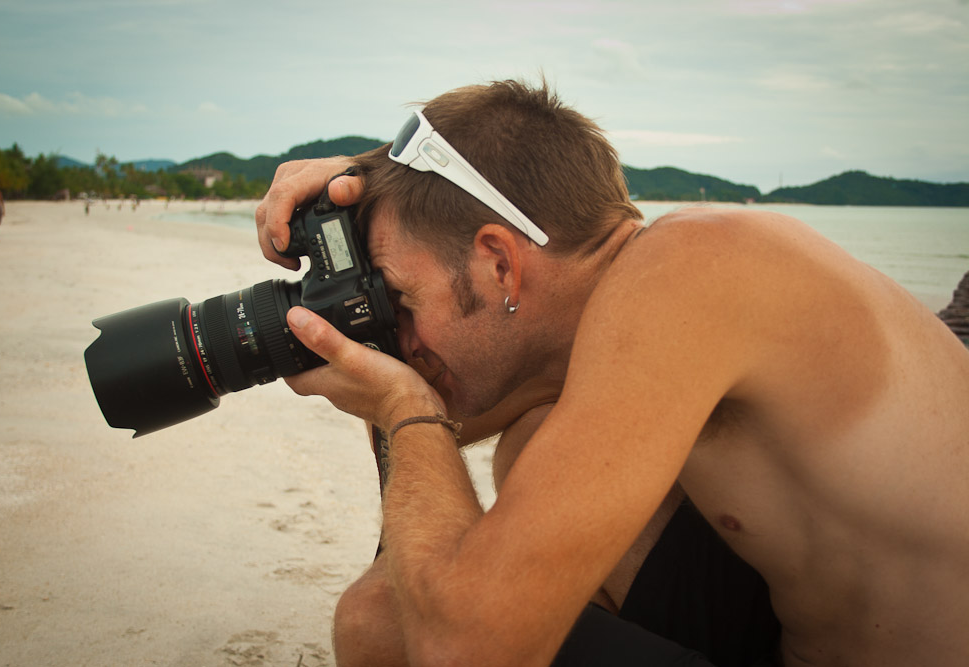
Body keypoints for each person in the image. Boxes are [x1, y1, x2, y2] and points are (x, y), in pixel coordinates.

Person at [254, 80, 969, 666]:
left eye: (399, 301)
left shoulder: (692, 270)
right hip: (789, 635)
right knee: (531, 440)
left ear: (499, 262)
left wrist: (399, 405)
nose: (398, 335)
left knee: (384, 623)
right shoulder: (604, 318)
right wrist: (378, 191)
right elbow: (435, 443)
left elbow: (461, 649)